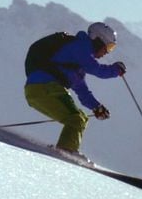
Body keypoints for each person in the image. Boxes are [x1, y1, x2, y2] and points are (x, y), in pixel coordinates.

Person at [23, 22, 126, 164]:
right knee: (76, 119)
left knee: (81, 118)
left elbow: (82, 91)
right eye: (108, 46)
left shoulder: (77, 65)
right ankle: (66, 152)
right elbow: (97, 70)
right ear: (98, 39)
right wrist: (115, 70)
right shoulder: (81, 47)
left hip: (38, 91)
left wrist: (97, 107)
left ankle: (67, 151)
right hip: (45, 87)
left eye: (111, 48)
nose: (107, 52)